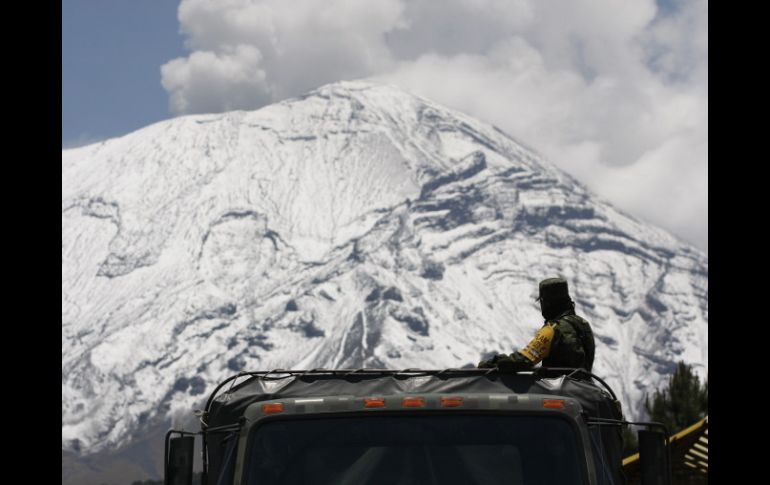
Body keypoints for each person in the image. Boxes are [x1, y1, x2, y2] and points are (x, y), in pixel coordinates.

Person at [478, 277, 595, 372]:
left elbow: (523, 361)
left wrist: (492, 364)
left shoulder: (552, 329)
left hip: (559, 392)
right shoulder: (583, 324)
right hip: (584, 391)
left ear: (547, 303)